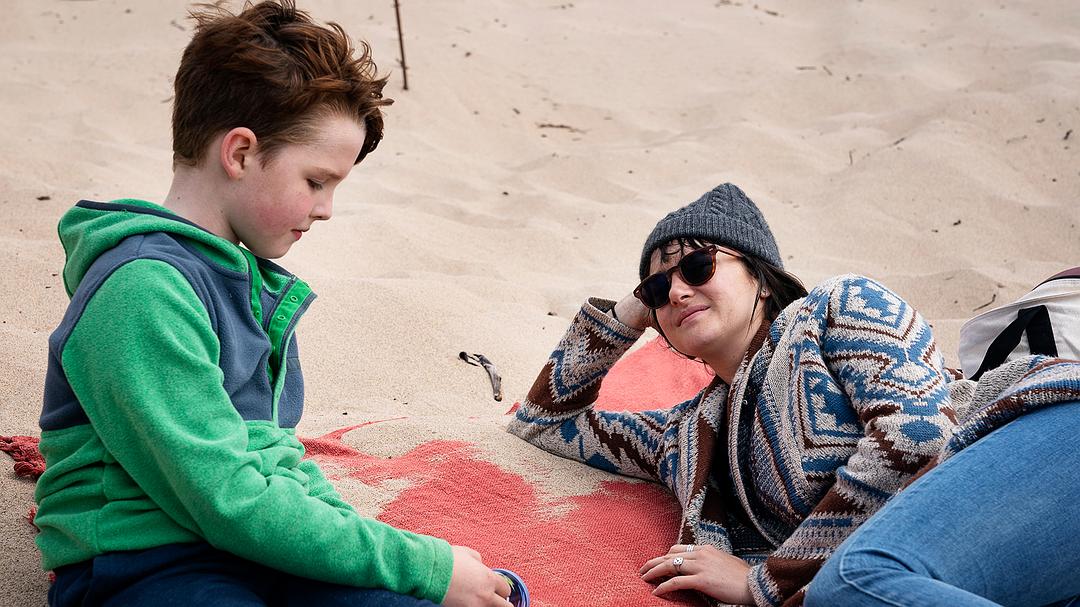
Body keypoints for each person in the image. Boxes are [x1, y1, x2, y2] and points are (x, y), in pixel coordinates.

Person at [34, 2, 510, 606]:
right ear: (239, 153)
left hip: (257, 546)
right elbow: (224, 496)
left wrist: (407, 568)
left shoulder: (245, 284)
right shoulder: (141, 289)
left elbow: (275, 461)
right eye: (316, 181)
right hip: (144, 560)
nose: (326, 209)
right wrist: (422, 564)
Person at [507, 182, 1080, 606]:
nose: (677, 292)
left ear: (760, 278)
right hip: (978, 548)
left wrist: (766, 581)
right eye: (659, 287)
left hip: (1043, 442)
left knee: (851, 585)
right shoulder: (685, 437)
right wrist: (632, 309)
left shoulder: (837, 308)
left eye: (699, 267)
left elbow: (917, 437)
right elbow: (542, 422)